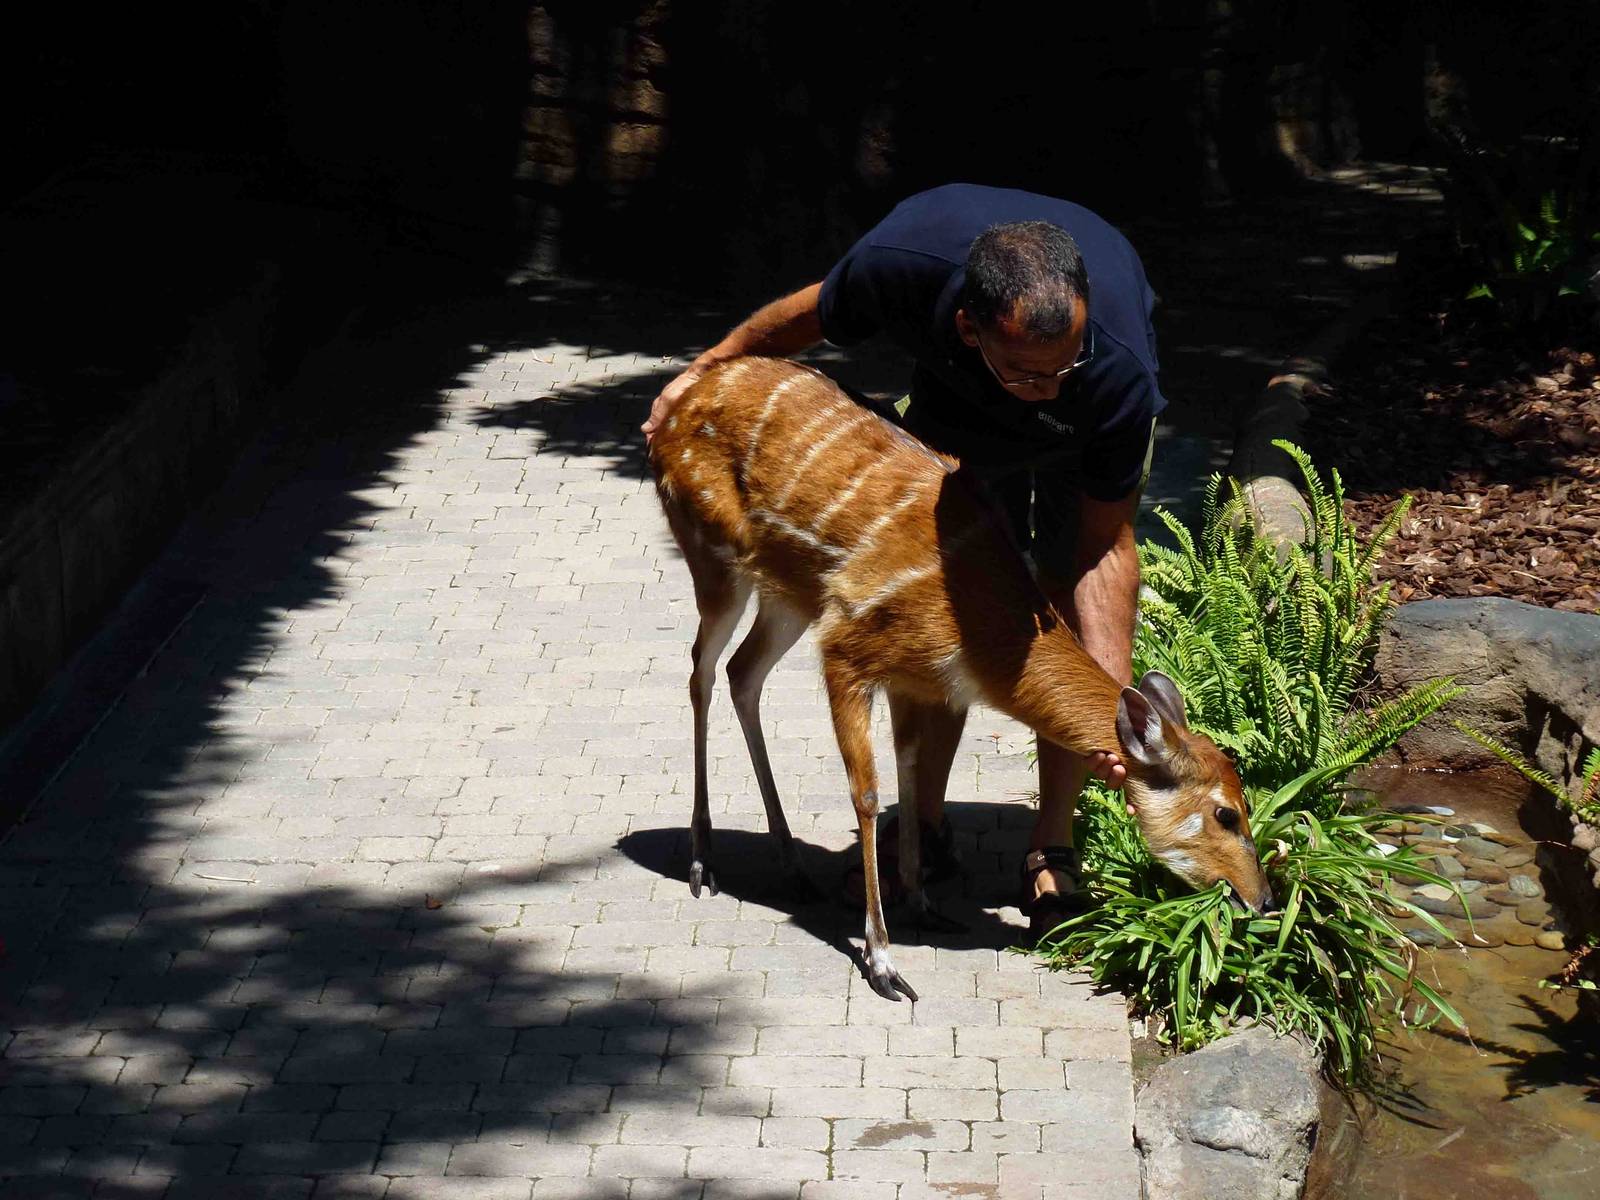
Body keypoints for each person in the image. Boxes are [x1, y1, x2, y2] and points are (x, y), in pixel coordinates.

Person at [643, 183, 1163, 939]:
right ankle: (922, 831)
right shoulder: (905, 264)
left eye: (1062, 364)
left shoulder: (1111, 371)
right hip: (959, 420)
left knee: (1055, 578)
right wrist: (706, 367)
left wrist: (1111, 726)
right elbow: (809, 316)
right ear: (966, 328)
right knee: (945, 601)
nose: (1046, 384)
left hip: (1082, 440)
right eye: (1028, 371)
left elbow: (1100, 555)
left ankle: (1053, 846)